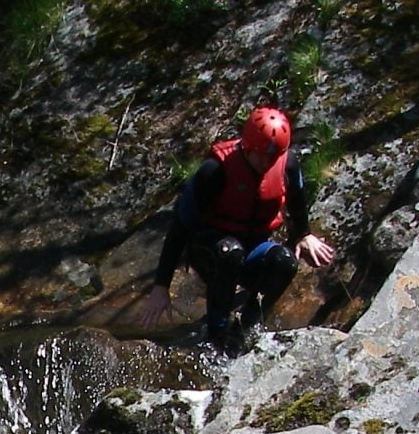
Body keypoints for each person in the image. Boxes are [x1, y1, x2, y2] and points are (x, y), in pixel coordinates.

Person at [137, 106, 336, 352]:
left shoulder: (287, 165)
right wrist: (161, 286)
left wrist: (303, 235)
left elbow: (296, 198)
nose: (267, 163)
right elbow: (180, 227)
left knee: (285, 262)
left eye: (273, 157)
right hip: (211, 249)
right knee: (231, 252)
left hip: (253, 247)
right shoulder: (214, 170)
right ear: (247, 147)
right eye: (261, 156)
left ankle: (245, 327)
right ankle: (216, 335)